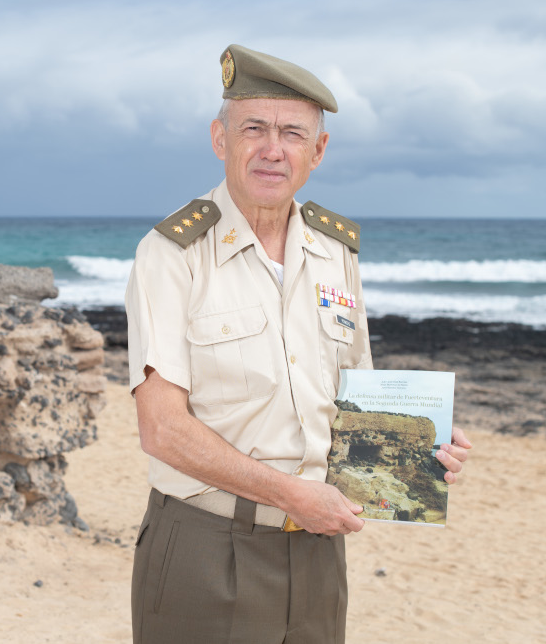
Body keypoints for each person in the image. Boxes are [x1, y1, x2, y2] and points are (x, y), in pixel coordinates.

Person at [125, 44, 472, 644]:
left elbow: (353, 400)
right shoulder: (174, 253)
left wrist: (418, 444)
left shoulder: (335, 251)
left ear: (318, 150)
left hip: (317, 552)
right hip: (207, 550)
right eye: (253, 128)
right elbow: (162, 428)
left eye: (292, 133)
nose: (272, 149)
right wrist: (291, 495)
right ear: (220, 138)